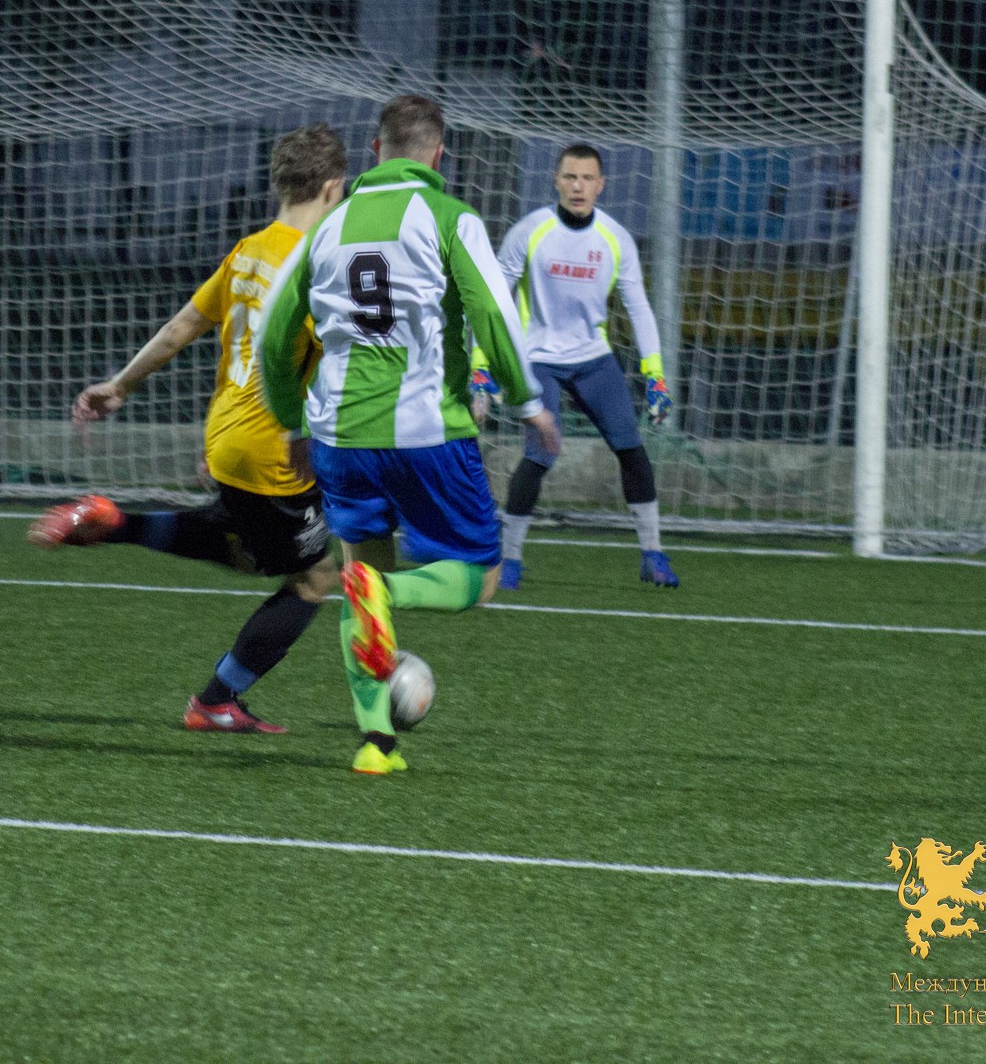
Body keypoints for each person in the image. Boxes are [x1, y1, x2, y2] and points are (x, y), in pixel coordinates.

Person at [258, 94, 560, 775]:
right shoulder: (450, 218)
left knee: (361, 568)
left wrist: (291, 421)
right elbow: (491, 311)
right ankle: (387, 595)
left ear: (376, 150)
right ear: (438, 154)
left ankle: (376, 743)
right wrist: (526, 399)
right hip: (426, 430)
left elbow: (274, 338)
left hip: (340, 435)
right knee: (479, 577)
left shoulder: (327, 227)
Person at [27, 123, 348, 734]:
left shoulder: (249, 251)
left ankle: (115, 521)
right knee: (314, 577)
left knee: (244, 544)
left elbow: (181, 328)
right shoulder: (322, 265)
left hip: (224, 436)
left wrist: (118, 385)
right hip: (275, 448)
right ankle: (216, 701)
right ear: (334, 187)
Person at [470, 142, 679, 590]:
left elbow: (639, 308)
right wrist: (480, 366)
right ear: (556, 181)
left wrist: (655, 376)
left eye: (587, 178)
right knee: (540, 454)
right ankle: (510, 559)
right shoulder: (529, 231)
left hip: (593, 360)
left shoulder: (616, 239)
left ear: (601, 185)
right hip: (538, 359)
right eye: (570, 177)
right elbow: (493, 301)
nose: (578, 186)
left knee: (632, 450)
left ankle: (653, 554)